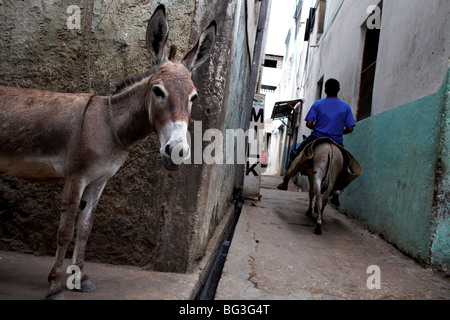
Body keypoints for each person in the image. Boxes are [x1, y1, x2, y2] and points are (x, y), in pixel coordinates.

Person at [277, 79, 356, 195]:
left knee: (295, 154)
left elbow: (308, 123)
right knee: (347, 164)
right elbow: (350, 128)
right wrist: (338, 131)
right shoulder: (346, 107)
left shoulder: (318, 104)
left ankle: (285, 182)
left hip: (317, 138)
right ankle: (338, 190)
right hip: (337, 141)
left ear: (325, 90)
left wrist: (319, 128)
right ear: (338, 90)